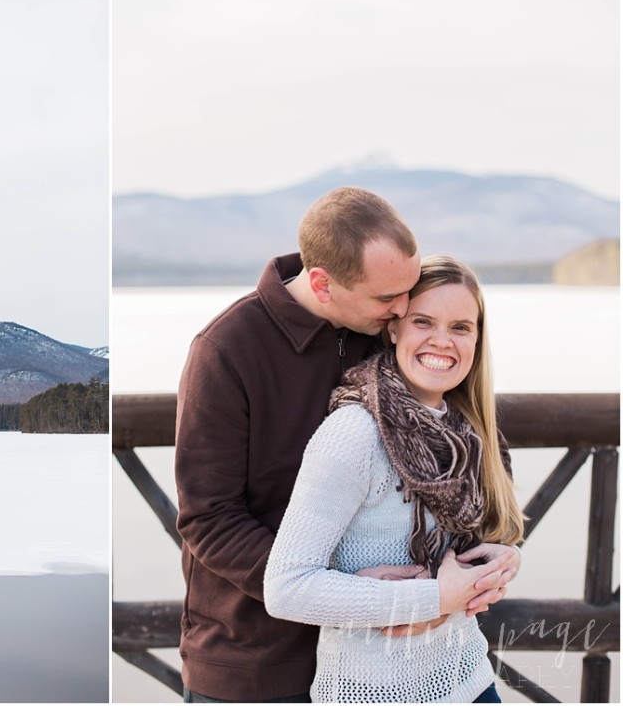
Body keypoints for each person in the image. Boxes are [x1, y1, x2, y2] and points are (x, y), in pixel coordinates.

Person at [174, 187, 520, 702]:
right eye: (390, 299)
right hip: (260, 661)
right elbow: (209, 517)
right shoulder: (226, 351)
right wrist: (368, 592)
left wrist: (493, 559)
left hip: (391, 663)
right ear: (323, 283)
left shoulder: (383, 325)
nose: (404, 309)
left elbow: (465, 441)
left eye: (408, 294)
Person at [263, 255, 526, 703]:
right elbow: (286, 589)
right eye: (423, 321)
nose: (442, 341)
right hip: (371, 691)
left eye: (461, 327)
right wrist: (434, 599)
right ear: (393, 328)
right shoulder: (355, 433)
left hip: (470, 680)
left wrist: (499, 563)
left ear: (478, 340)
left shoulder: (468, 432)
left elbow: (468, 549)